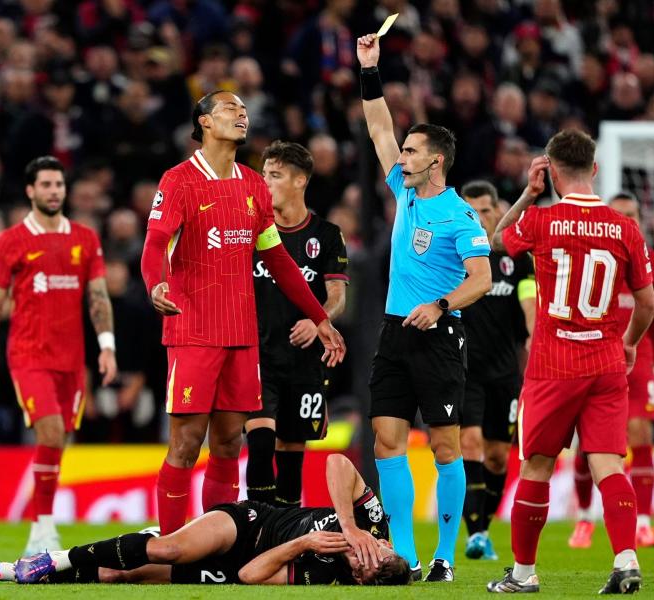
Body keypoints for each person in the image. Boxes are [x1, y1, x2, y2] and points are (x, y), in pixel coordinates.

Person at [140, 91, 346, 535]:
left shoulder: (254, 185)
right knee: (186, 443)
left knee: (230, 443)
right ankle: (172, 547)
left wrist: (321, 318)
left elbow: (280, 263)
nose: (242, 114)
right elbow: (155, 243)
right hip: (193, 328)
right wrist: (154, 283)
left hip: (241, 335)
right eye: (230, 109)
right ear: (205, 122)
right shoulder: (178, 180)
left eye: (245, 109)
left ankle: (214, 543)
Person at [485, 130, 654, 595]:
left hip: (552, 364)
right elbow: (646, 304)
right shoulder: (625, 226)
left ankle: (522, 575)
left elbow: (497, 240)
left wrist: (528, 192)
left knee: (537, 467)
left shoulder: (541, 221)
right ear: (595, 170)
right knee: (609, 466)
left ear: (552, 172)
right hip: (605, 362)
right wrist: (630, 343)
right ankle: (625, 560)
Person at [357, 33, 493, 582]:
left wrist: (439, 306)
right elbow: (376, 127)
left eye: (411, 152)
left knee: (443, 444)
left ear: (435, 161)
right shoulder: (406, 193)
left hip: (440, 336)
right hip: (395, 334)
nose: (402, 157)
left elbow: (480, 280)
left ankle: (443, 556)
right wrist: (370, 69)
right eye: (404, 151)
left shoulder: (461, 217)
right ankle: (406, 556)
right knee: (386, 440)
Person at [0, 156, 118, 556]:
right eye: (46, 185)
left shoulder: (85, 238)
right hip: (29, 355)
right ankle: (43, 526)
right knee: (49, 433)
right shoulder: (10, 241)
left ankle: (40, 527)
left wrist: (106, 347)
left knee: (59, 440)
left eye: (58, 184)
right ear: (31, 191)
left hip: (72, 360)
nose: (54, 191)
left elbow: (98, 297)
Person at [0, 454, 410, 586]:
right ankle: (53, 558)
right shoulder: (370, 526)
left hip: (239, 566)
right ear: (384, 547)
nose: (356, 560)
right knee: (170, 547)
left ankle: (2, 569)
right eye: (365, 557)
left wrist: (303, 546)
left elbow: (252, 576)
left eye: (360, 572)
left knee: (120, 575)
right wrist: (348, 526)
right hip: (250, 522)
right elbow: (336, 462)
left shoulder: (327, 576)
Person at [246, 140, 349, 508]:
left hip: (304, 360)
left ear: (300, 180)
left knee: (291, 448)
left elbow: (337, 294)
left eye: (274, 175)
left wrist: (316, 317)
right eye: (263, 175)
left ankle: (285, 531)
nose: (265, 183)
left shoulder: (325, 235)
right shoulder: (251, 230)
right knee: (259, 444)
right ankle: (257, 525)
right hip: (256, 352)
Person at [569, 192, 654, 550]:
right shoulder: (593, 257)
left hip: (639, 356)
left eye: (633, 214)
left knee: (641, 432)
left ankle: (643, 522)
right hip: (599, 354)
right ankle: (583, 518)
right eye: (621, 214)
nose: (628, 220)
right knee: (588, 443)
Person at [458, 181, 536, 561]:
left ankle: (483, 529)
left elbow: (529, 299)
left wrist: (535, 335)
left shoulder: (516, 259)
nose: (478, 217)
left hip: (504, 373)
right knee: (469, 444)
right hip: (463, 368)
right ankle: (474, 535)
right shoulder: (454, 254)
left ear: (496, 211)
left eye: (485, 211)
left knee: (497, 458)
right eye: (470, 210)